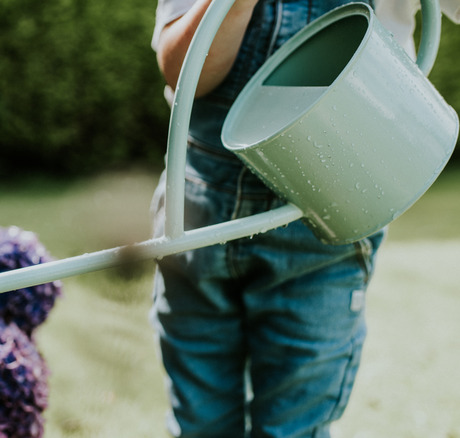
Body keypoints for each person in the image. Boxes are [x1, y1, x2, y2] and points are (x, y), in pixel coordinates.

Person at [148, 1, 386, 437]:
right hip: (199, 222)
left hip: (322, 222)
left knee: (292, 427)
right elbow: (182, 71)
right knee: (201, 425)